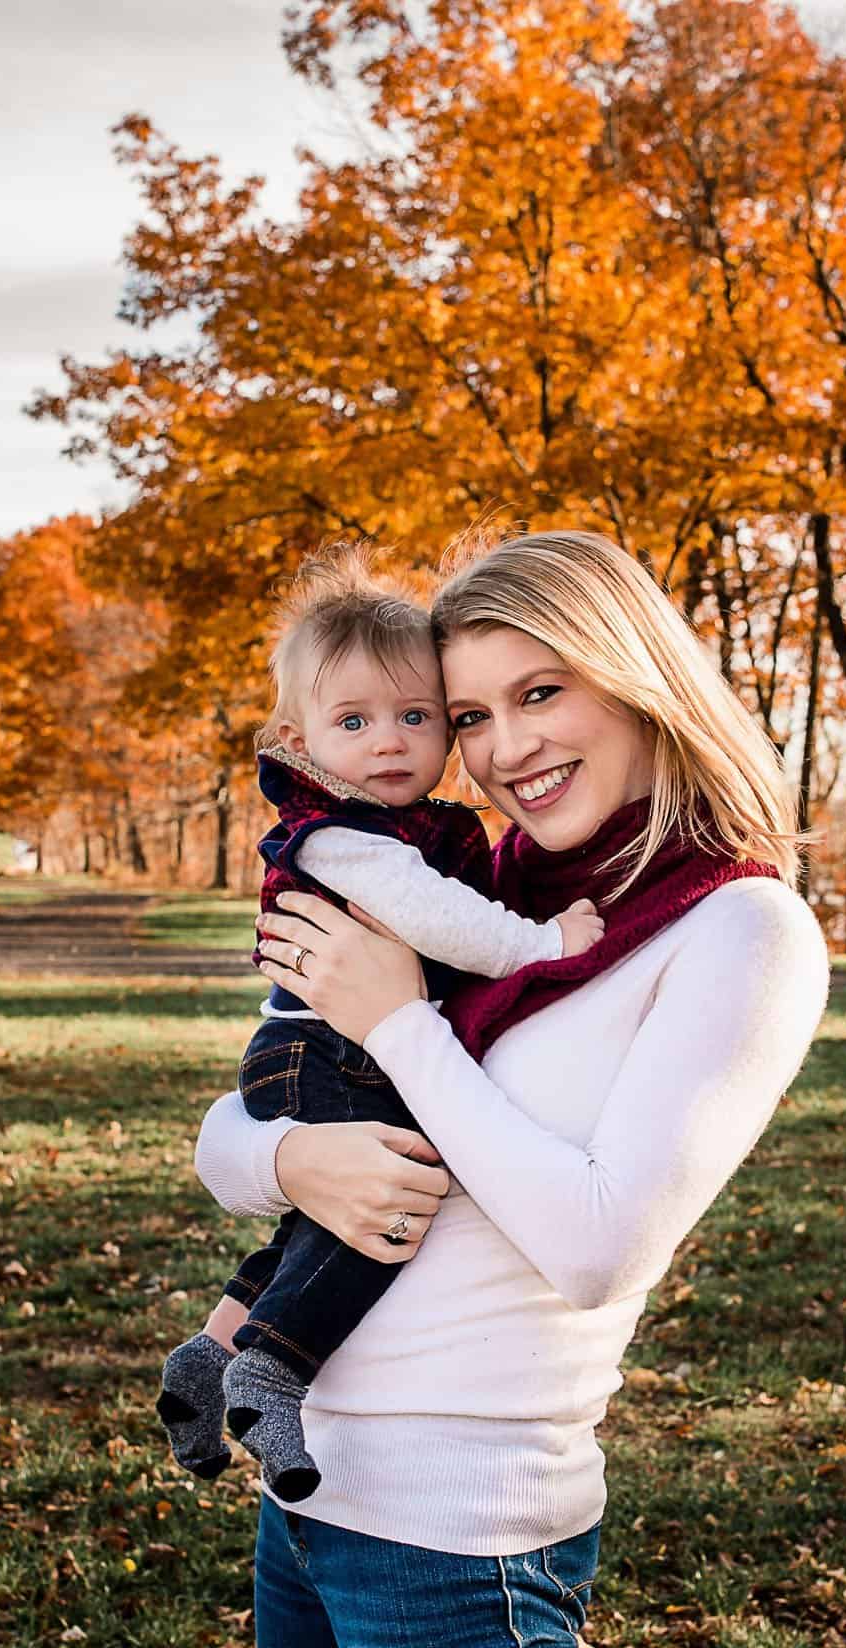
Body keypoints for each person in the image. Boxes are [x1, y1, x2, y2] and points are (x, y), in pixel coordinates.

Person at [193, 529, 831, 1648]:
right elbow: (230, 1132)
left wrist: (401, 1028)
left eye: (538, 690)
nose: (501, 746)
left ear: (634, 679)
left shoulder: (729, 932)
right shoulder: (476, 893)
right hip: (311, 1502)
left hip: (458, 1540)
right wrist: (285, 1150)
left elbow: (595, 1242)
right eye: (469, 714)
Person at [157, 545, 604, 1502]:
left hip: (329, 1050)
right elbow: (445, 925)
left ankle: (213, 1352)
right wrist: (543, 941)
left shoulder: (418, 824)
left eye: (418, 717)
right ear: (300, 736)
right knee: (383, 1215)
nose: (390, 741)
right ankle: (276, 1366)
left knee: (324, 1220)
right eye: (354, 722)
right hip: (317, 1050)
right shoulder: (343, 835)